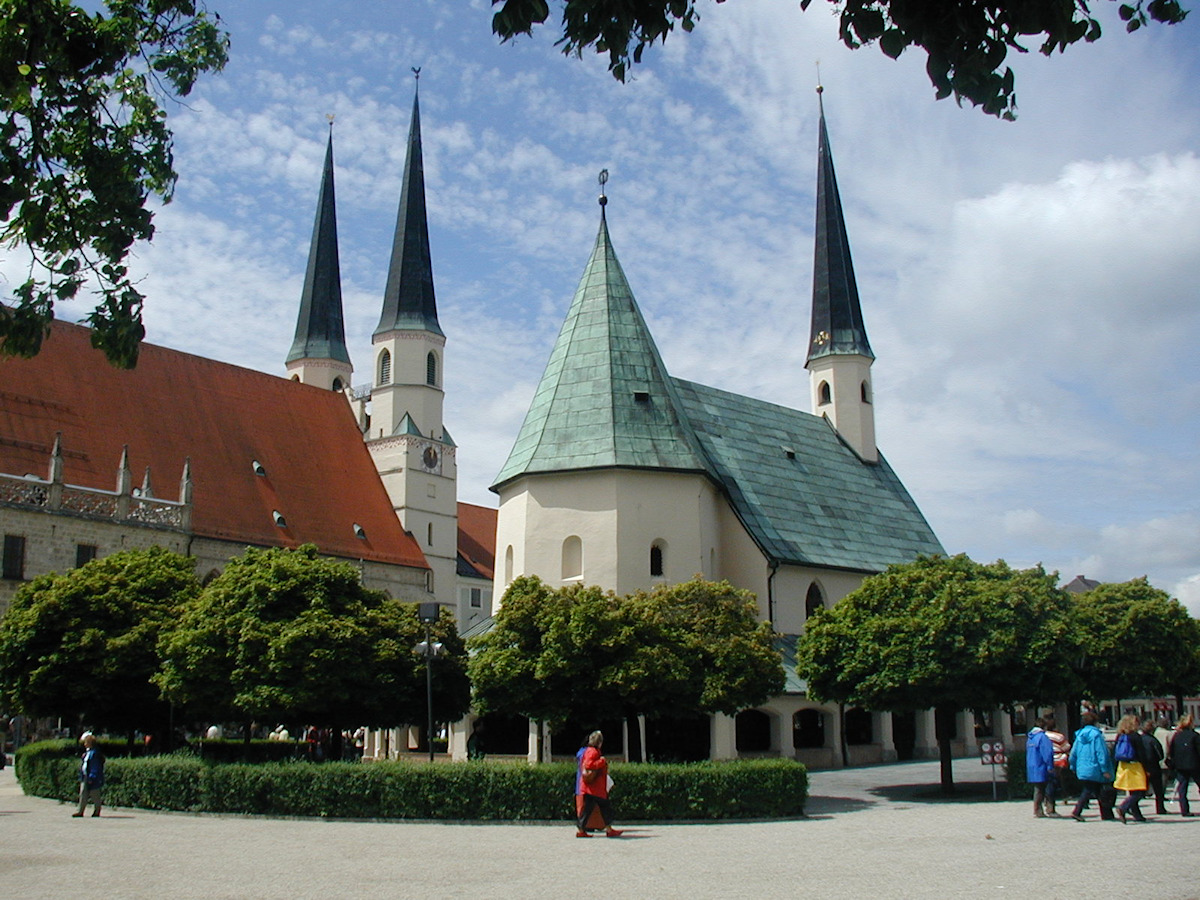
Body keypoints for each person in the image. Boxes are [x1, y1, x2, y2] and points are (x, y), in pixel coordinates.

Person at [576, 730, 622, 838]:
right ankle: (609, 830)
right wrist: (602, 761)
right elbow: (589, 764)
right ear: (599, 742)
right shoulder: (594, 752)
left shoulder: (587, 750)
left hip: (588, 787)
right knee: (605, 808)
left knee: (587, 810)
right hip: (596, 788)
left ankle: (581, 830)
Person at [1068, 711, 1113, 822]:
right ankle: (1077, 811)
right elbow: (1101, 753)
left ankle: (1107, 813)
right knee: (1090, 789)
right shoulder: (1096, 735)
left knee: (1097, 789)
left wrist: (1073, 767)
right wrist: (1105, 769)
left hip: (1082, 767)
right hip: (1095, 767)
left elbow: (1073, 753)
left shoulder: (1079, 736)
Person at [1113, 714, 1148, 823]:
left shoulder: (1120, 735)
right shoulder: (1135, 736)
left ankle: (1137, 815)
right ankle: (1123, 808)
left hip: (1123, 766)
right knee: (1140, 791)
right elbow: (1142, 753)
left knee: (1133, 791)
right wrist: (1147, 768)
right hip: (1135, 765)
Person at [1167, 713, 1200, 817]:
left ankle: (1184, 810)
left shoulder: (1176, 736)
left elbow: (1171, 751)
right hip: (1195, 764)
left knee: (1182, 788)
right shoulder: (1195, 736)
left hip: (1180, 765)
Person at [1026, 717, 1054, 818]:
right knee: (1046, 788)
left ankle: (1037, 809)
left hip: (1032, 766)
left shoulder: (1030, 737)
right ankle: (1048, 809)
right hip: (1041, 766)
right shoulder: (1042, 737)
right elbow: (1047, 753)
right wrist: (1050, 766)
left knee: (1038, 788)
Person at [1043, 714, 1070, 816]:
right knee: (1059, 782)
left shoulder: (1043, 736)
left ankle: (1047, 801)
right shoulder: (1059, 737)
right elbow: (1066, 748)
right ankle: (1063, 797)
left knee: (1048, 783)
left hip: (1046, 762)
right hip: (1059, 761)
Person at [72, 732, 105, 818]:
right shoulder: (87, 753)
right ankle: (80, 811)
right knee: (83, 793)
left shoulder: (94, 753)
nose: (84, 744)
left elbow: (95, 766)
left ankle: (97, 810)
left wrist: (92, 776)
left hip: (92, 778)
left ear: (90, 743)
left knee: (95, 795)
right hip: (85, 776)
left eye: (86, 742)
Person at [1139, 717, 1167, 815]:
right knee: (1158, 790)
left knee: (1140, 789)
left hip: (1141, 767)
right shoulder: (1152, 740)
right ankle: (1160, 808)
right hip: (1153, 766)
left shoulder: (1139, 739)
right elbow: (1160, 754)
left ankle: (1132, 806)